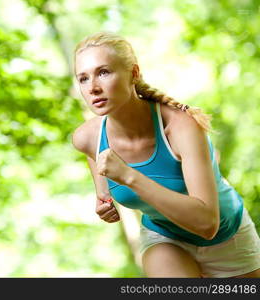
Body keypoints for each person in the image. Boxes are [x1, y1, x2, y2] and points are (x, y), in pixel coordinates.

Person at [71, 32, 260, 278]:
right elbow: (98, 159)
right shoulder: (87, 138)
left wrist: (129, 176)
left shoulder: (181, 127)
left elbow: (207, 224)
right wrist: (103, 196)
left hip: (228, 239)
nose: (93, 88)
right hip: (165, 237)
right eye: (83, 78)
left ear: (134, 73)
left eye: (104, 72)